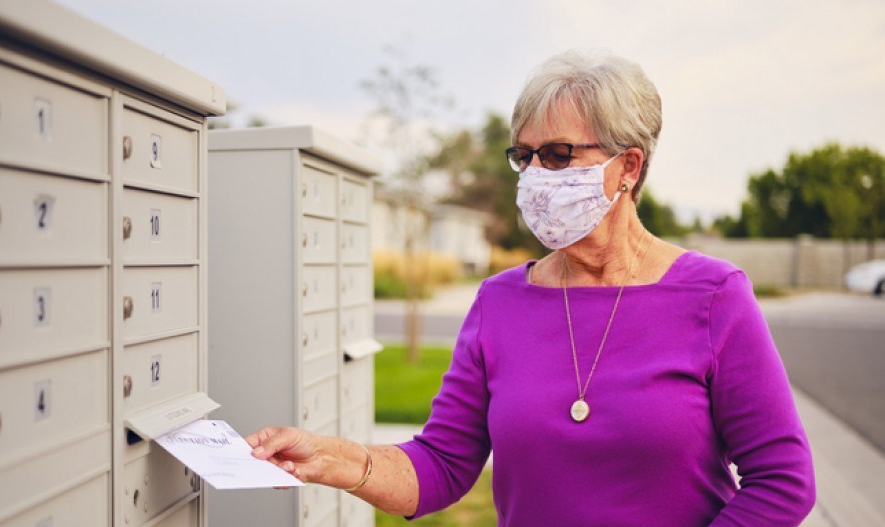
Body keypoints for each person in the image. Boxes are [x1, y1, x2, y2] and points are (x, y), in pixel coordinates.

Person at [247, 50, 816, 526]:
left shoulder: (714, 296)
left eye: (559, 154)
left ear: (629, 167)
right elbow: (443, 464)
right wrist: (333, 459)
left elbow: (783, 480)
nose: (537, 175)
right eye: (525, 155)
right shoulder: (499, 302)